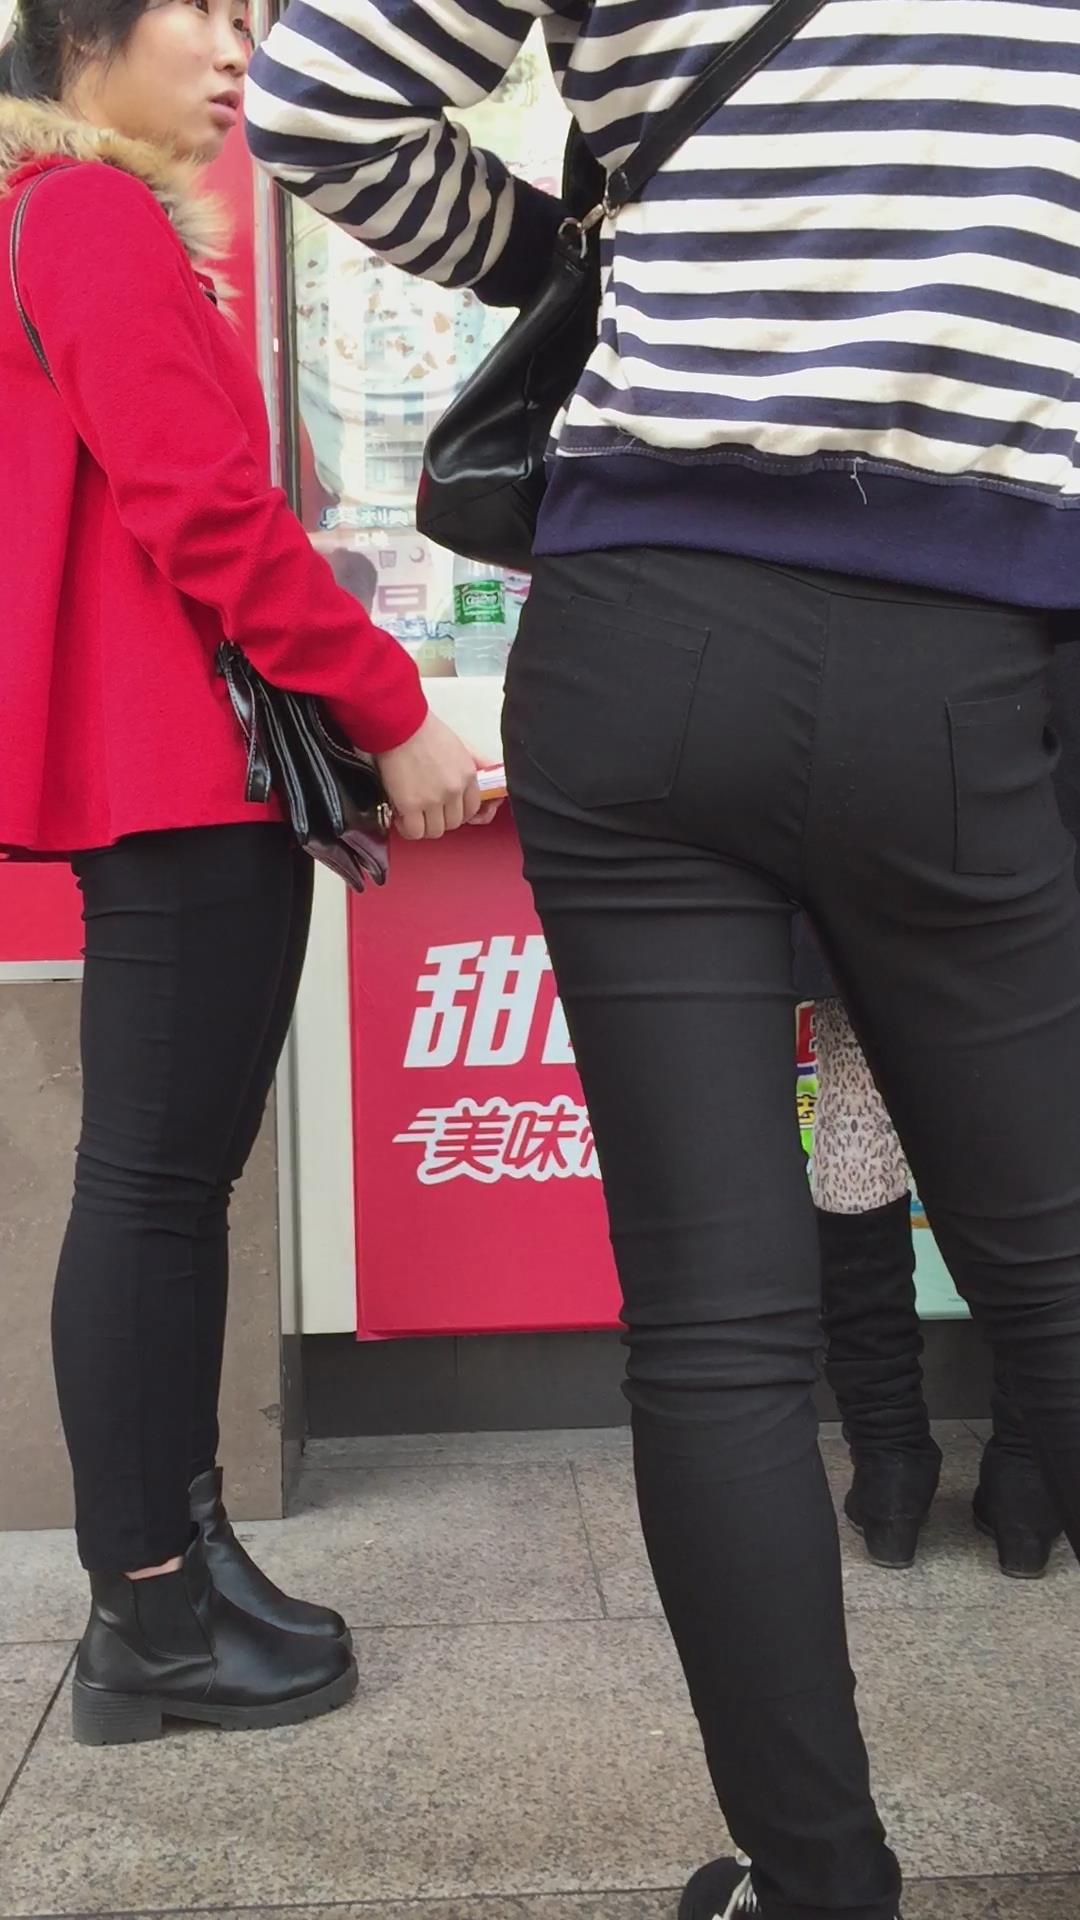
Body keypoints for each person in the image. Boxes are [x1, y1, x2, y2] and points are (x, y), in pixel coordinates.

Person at [250, 6, 1080, 1917]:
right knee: (1051, 1263)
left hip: (644, 627)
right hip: (964, 646)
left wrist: (574, 251)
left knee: (714, 1328)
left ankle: (819, 1891)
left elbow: (316, 96)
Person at [0, 0, 496, 1750]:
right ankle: (148, 1612)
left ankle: (183, 1559)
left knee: (169, 1185)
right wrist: (389, 706)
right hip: (176, 775)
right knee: (153, 1187)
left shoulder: (68, 214)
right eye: (206, 12)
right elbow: (207, 509)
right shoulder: (85, 212)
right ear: (85, 32)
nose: (238, 51)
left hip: (176, 770)